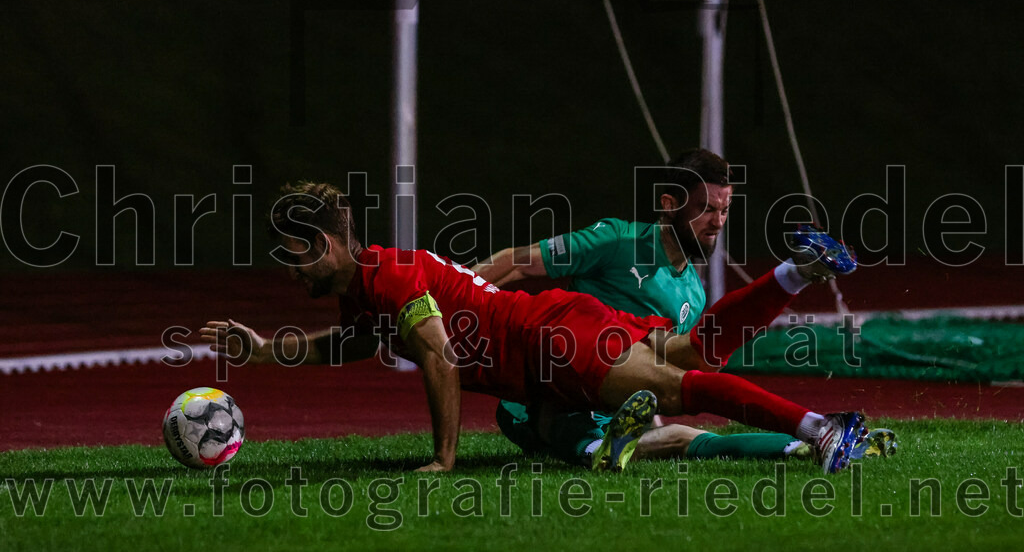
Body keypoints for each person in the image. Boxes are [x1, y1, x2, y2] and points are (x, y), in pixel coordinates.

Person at [201, 180, 871, 474]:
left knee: (681, 389)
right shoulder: (368, 290)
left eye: (290, 255)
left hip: (548, 342)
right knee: (676, 375)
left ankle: (822, 428)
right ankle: (793, 276)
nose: (285, 270)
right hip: (553, 343)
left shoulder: (389, 274)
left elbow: (437, 356)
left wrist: (444, 457)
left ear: (321, 242)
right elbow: (344, 343)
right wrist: (264, 352)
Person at [472, 149, 895, 467]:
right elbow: (515, 261)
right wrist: (459, 303)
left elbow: (663, 368)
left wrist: (651, 412)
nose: (717, 221)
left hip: (617, 395)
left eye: (725, 210)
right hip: (551, 387)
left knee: (683, 426)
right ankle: (595, 447)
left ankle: (808, 443)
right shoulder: (619, 241)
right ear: (670, 204)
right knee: (563, 417)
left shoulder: (692, 291)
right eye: (706, 209)